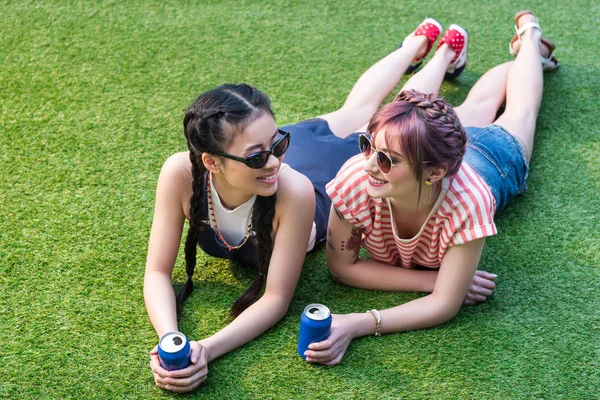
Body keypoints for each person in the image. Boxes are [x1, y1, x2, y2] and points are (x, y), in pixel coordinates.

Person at [144, 17, 465, 392]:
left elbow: (277, 298)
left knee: (390, 121)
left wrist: (207, 350)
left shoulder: (290, 187)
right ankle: (416, 44)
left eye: (277, 143)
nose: (274, 161)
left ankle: (441, 53)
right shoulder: (179, 174)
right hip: (270, 158)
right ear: (211, 162)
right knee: (354, 109)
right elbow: (157, 273)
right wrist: (171, 340)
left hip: (319, 177)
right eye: (257, 155)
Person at [302, 10, 558, 365]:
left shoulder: (469, 201)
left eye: (387, 160)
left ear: (434, 173)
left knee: (522, 112)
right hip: (429, 145)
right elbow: (342, 268)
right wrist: (435, 281)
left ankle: (530, 39)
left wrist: (358, 324)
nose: (368, 165)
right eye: (367, 146)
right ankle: (507, 58)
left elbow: (444, 306)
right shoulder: (355, 180)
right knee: (477, 105)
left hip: (491, 162)